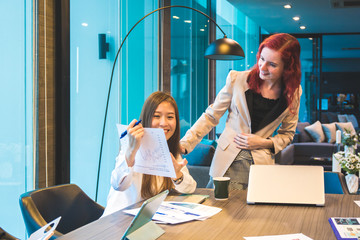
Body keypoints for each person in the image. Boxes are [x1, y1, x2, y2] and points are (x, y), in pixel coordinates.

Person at [180, 33, 302, 190]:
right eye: (262, 59)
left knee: (256, 213)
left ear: (287, 68)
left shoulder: (294, 93)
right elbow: (211, 116)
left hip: (261, 166)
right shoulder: (237, 79)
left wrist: (264, 142)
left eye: (272, 64)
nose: (262, 67)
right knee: (219, 209)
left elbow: (288, 134)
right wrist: (185, 144)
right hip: (227, 161)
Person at [103, 91, 196, 216]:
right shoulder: (132, 147)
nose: (163, 123)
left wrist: (177, 174)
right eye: (156, 116)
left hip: (148, 219)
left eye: (170, 117)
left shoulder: (170, 150)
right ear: (146, 118)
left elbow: (190, 188)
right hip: (119, 221)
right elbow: (118, 185)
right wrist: (131, 151)